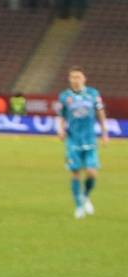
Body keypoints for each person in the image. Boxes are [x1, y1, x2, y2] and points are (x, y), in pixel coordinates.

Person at [57, 67, 108, 218]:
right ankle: (79, 207)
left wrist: (105, 133)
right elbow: (61, 116)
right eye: (72, 77)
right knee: (76, 172)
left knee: (92, 174)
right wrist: (60, 130)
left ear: (84, 79)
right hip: (73, 140)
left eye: (78, 77)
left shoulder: (92, 94)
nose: (75, 80)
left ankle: (85, 195)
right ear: (69, 79)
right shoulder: (65, 96)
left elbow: (100, 112)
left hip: (90, 139)